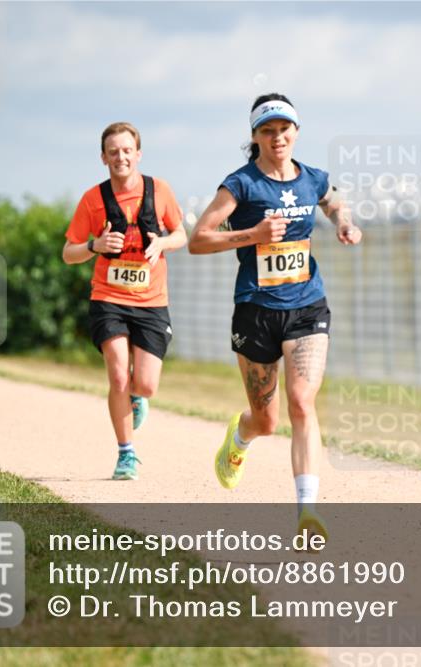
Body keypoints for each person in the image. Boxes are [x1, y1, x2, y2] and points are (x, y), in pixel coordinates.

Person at [189, 94, 362, 540]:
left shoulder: (313, 178)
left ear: (296, 132)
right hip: (256, 310)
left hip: (307, 305)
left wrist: (343, 221)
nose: (277, 136)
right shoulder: (241, 185)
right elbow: (199, 239)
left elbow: (333, 200)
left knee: (302, 402)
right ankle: (240, 438)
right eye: (268, 130)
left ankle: (307, 513)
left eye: (284, 128)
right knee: (266, 420)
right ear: (255, 137)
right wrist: (253, 234)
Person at [63, 122, 187, 480]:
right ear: (103, 157)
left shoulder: (159, 190)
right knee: (119, 375)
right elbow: (68, 252)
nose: (121, 157)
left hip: (151, 299)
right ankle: (126, 454)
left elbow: (180, 233)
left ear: (138, 154)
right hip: (108, 297)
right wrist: (94, 246)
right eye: (113, 152)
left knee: (144, 384)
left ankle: (138, 397)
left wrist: (162, 243)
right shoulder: (92, 199)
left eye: (127, 150)